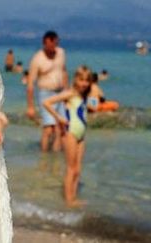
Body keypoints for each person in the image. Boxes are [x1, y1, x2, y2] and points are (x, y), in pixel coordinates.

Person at [43, 65, 91, 207]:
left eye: (87, 80)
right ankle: (69, 200)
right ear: (76, 79)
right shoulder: (70, 93)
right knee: (71, 168)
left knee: (78, 169)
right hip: (70, 134)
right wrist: (59, 118)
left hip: (81, 135)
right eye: (81, 80)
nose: (84, 83)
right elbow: (47, 103)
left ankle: (73, 197)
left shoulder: (83, 96)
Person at [27, 30, 68, 152]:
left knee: (61, 127)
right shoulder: (37, 59)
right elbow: (30, 84)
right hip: (46, 94)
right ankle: (44, 156)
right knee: (49, 129)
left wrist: (67, 93)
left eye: (56, 44)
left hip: (60, 93)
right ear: (45, 43)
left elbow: (64, 72)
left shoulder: (61, 53)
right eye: (52, 44)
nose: (54, 47)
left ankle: (56, 158)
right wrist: (30, 107)